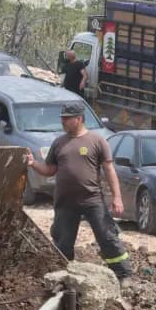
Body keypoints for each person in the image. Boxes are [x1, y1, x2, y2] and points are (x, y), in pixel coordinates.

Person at [24, 101, 131, 279]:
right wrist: (33, 163)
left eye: (67, 118)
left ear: (79, 119)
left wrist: (117, 197)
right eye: (62, 118)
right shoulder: (59, 143)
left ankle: (123, 274)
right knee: (63, 242)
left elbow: (109, 170)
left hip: (92, 199)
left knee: (107, 237)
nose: (62, 122)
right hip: (65, 202)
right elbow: (50, 170)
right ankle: (63, 275)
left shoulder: (97, 140)